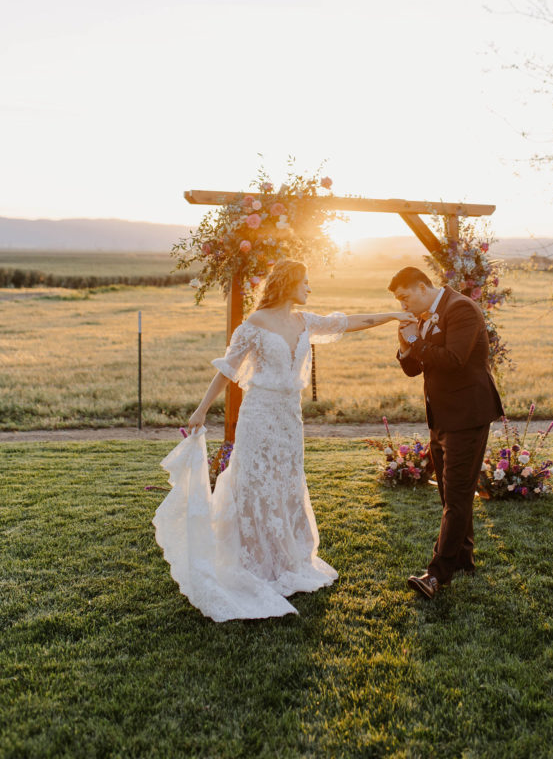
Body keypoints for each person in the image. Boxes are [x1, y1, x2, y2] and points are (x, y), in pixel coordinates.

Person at [153, 259, 413, 621]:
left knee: (288, 481)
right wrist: (200, 411)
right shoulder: (254, 324)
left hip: (290, 418)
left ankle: (287, 558)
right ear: (289, 283)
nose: (309, 288)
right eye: (305, 282)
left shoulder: (304, 321)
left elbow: (351, 322)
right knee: (256, 481)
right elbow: (228, 370)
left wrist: (391, 315)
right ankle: (255, 560)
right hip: (259, 414)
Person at [390, 267, 504, 599]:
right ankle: (464, 559)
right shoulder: (425, 315)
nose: (404, 305)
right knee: (449, 495)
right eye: (399, 300)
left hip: (467, 415)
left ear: (423, 287)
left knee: (454, 497)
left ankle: (436, 575)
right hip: (440, 417)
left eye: (405, 296)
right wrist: (405, 344)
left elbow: (454, 359)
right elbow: (414, 369)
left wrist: (416, 340)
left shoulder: (461, 309)